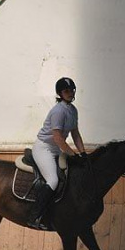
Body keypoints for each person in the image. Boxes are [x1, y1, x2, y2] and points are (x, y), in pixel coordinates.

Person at [27, 77, 87, 229]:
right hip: (44, 148)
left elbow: (75, 134)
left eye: (72, 89)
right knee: (53, 180)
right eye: (66, 91)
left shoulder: (73, 110)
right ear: (60, 93)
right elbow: (58, 138)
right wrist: (73, 155)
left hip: (56, 148)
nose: (70, 93)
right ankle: (34, 216)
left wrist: (83, 153)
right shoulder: (58, 111)